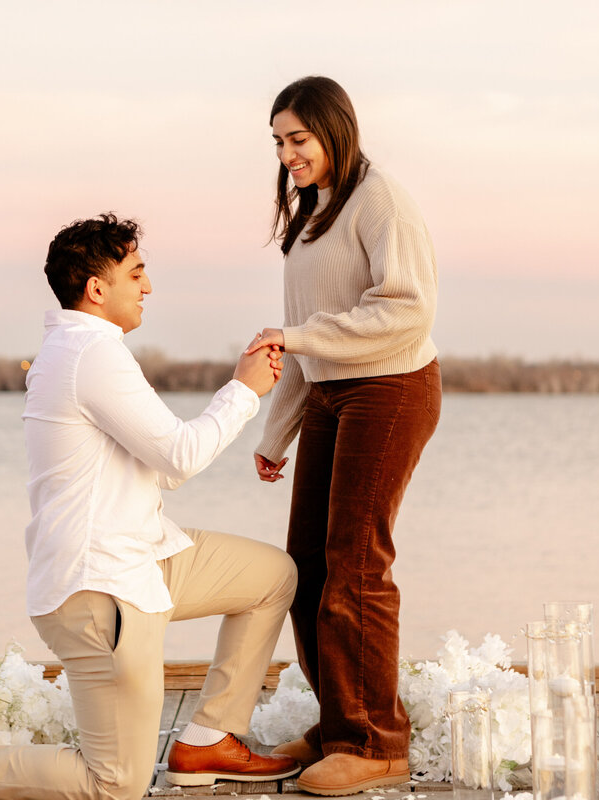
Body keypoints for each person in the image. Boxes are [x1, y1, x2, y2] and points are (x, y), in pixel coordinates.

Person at [0, 213, 300, 800]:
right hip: (102, 588)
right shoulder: (92, 355)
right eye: (136, 272)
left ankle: (209, 739)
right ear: (96, 288)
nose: (148, 286)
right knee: (115, 783)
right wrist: (243, 390)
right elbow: (181, 456)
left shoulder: (83, 351)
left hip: (139, 557)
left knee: (271, 576)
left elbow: (158, 461)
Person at [245, 76, 442, 796]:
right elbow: (312, 344)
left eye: (298, 138)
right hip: (332, 395)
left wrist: (295, 337)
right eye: (278, 142)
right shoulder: (310, 214)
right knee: (305, 568)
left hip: (391, 389)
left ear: (335, 130)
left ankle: (375, 743)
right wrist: (276, 433)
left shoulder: (379, 198)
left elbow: (407, 312)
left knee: (355, 565)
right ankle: (339, 725)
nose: (288, 153)